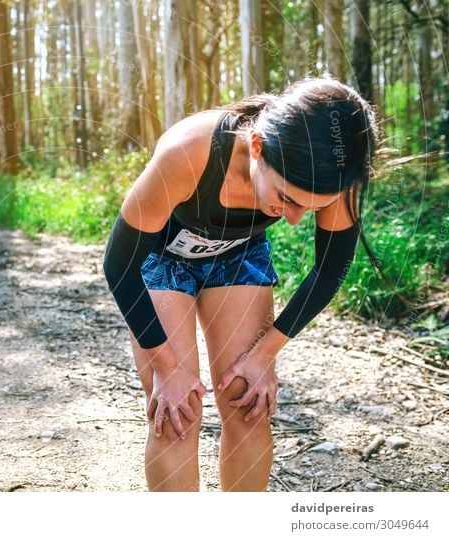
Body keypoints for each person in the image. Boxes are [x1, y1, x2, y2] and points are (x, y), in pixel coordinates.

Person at [102, 77, 380, 492]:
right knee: (176, 415)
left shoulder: (336, 175)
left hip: (238, 256)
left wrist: (265, 354)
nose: (293, 219)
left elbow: (330, 270)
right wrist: (167, 367)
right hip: (160, 257)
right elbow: (119, 265)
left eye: (312, 207)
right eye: (286, 198)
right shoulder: (189, 152)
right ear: (256, 148)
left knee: (248, 404)